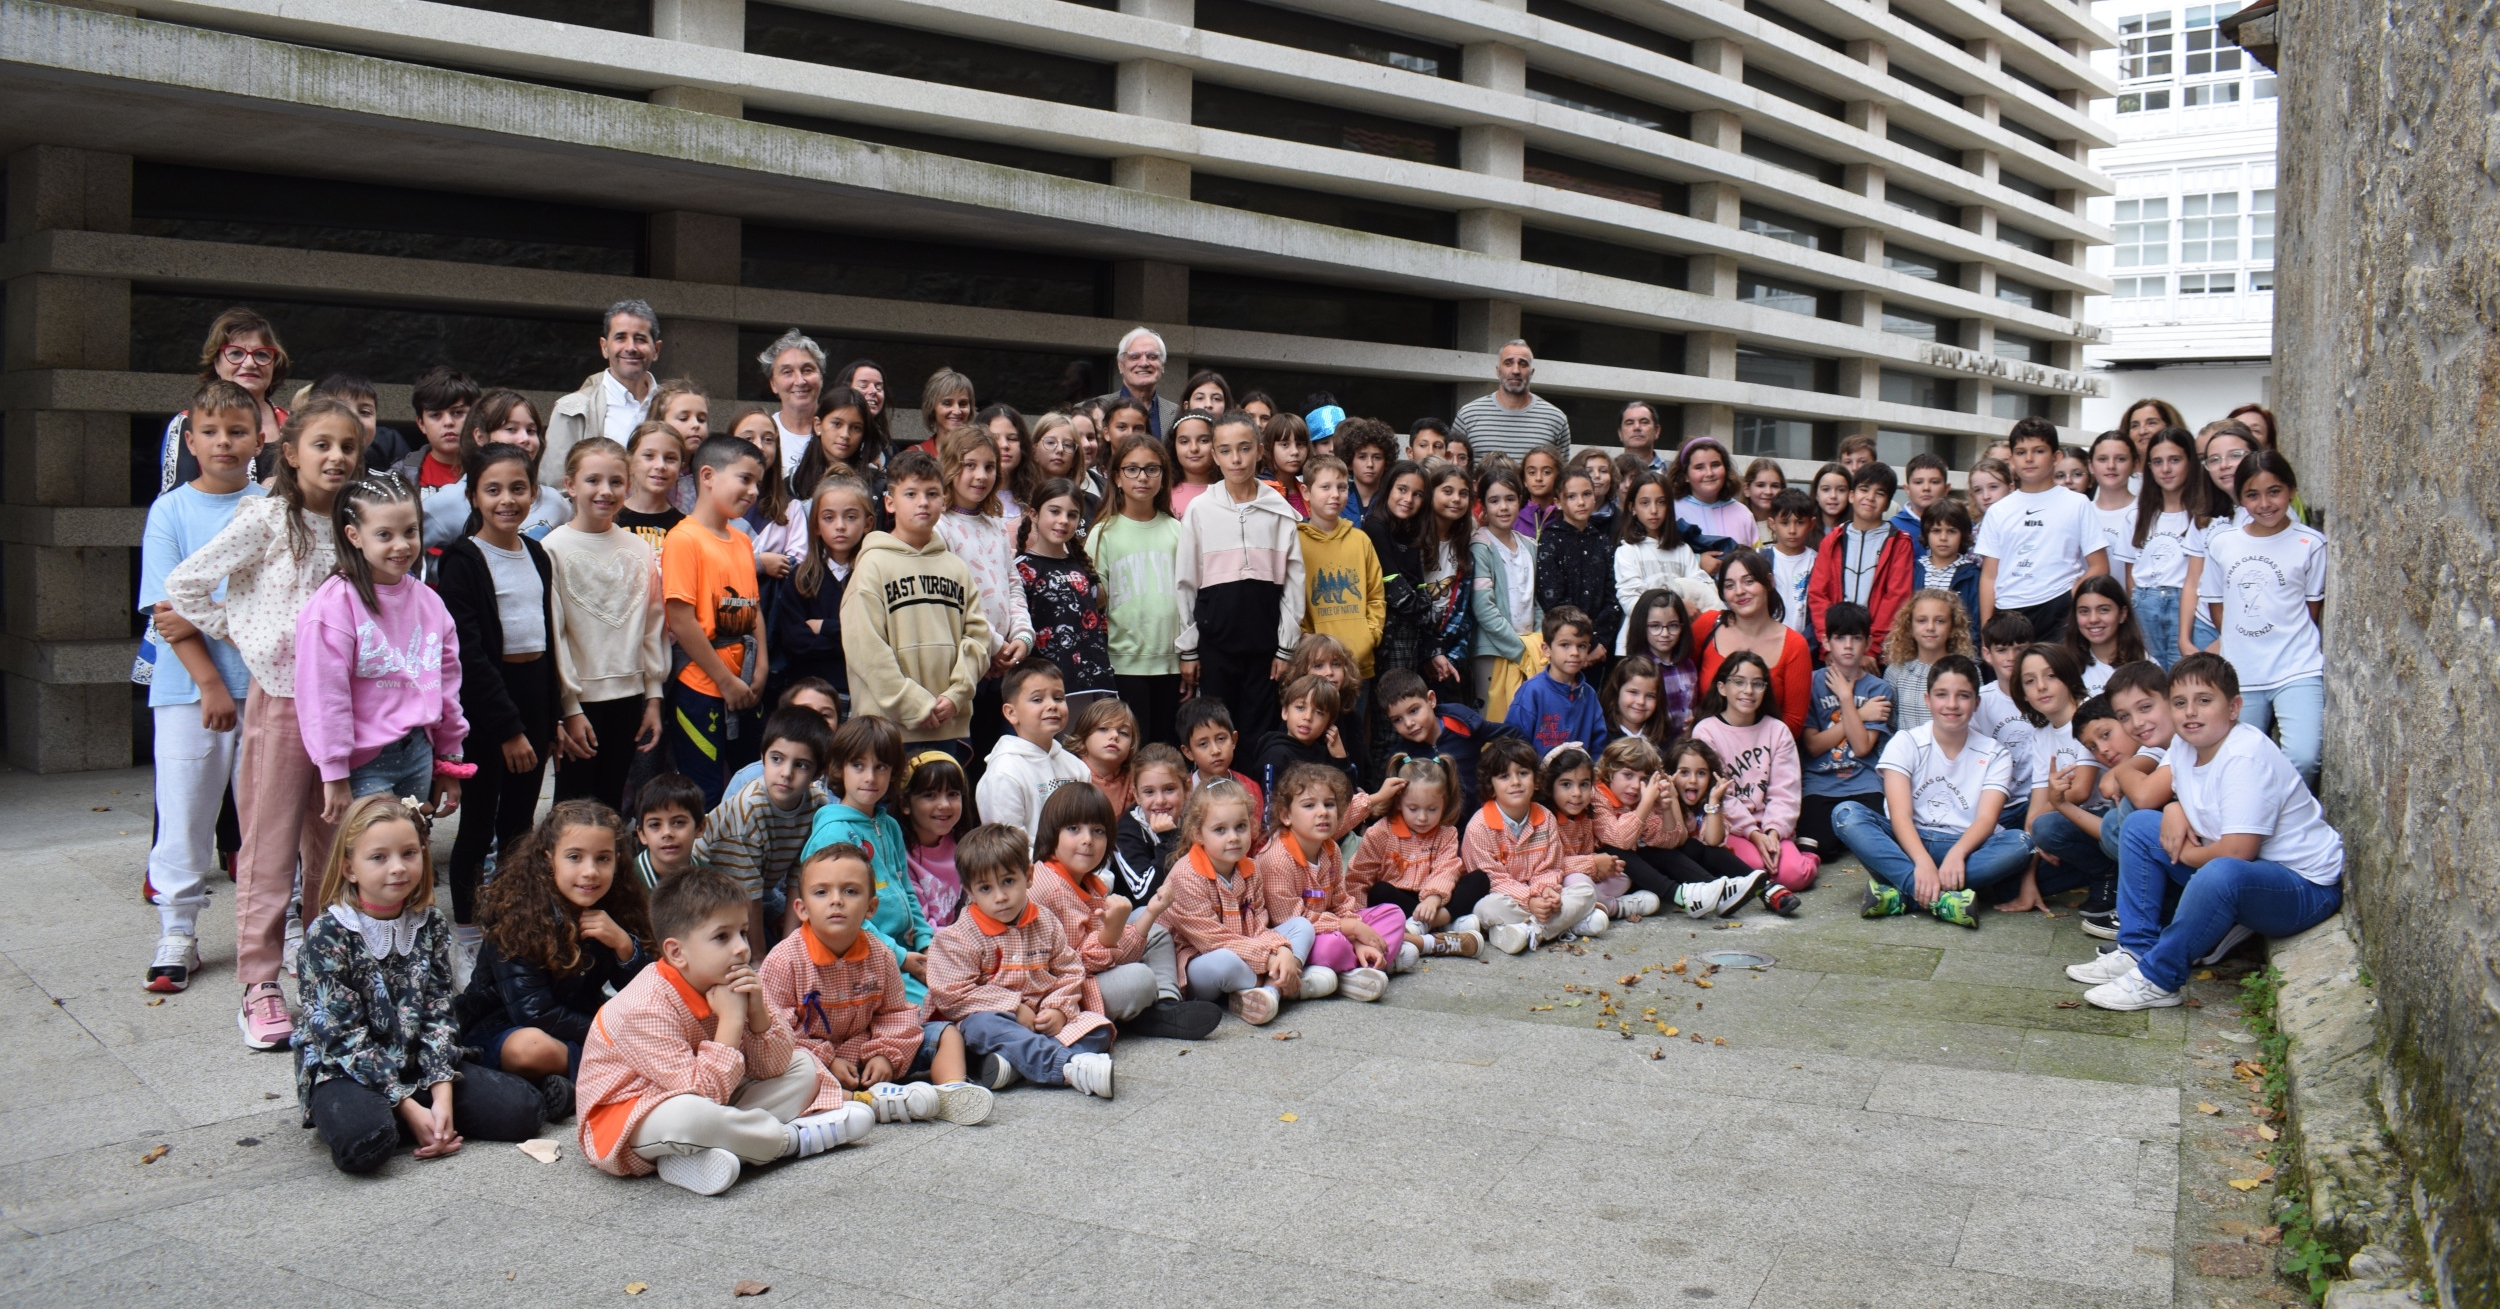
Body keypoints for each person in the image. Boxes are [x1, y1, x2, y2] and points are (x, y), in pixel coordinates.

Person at [166, 398, 365, 1049]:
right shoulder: (265, 516)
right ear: (291, 451)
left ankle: (322, 964)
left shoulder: (357, 524)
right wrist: (245, 632)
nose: (336, 456)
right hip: (279, 700)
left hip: (343, 709)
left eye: (349, 446)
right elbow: (188, 583)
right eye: (323, 444)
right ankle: (258, 980)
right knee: (269, 843)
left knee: (332, 844)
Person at [2071, 654, 2344, 1011]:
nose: (2190, 712)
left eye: (2204, 701)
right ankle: (2136, 951)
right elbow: (2195, 796)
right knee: (2138, 827)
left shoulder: (2245, 756)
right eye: (2181, 703)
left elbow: (2237, 851)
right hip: (2250, 872)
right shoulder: (2186, 745)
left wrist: (2185, 854)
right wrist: (2174, 807)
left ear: (2233, 708)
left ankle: (2159, 979)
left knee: (2220, 870)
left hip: (2303, 887)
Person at [575, 867, 871, 1194]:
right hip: (631, 1119)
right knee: (689, 1116)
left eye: (743, 932)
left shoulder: (727, 979)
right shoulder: (643, 1006)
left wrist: (758, 1015)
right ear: (676, 952)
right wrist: (731, 1022)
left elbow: (772, 1068)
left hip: (710, 1098)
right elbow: (700, 1096)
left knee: (802, 1067)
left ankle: (702, 1156)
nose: (742, 948)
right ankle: (791, 1140)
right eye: (722, 937)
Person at [296, 796, 545, 1173]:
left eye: (409, 853)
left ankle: (426, 1117)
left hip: (419, 1063)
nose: (398, 868)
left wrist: (442, 1096)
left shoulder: (428, 923)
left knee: (523, 1112)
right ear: (349, 868)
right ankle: (392, 1116)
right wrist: (409, 1107)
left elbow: (440, 1015)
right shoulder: (328, 934)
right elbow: (342, 1038)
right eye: (378, 857)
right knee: (364, 1145)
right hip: (349, 1070)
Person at [137, 380, 265, 992]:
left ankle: (279, 927)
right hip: (188, 690)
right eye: (210, 432)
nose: (224, 442)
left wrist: (207, 609)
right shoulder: (171, 511)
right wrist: (210, 682)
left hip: (266, 686)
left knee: (265, 814)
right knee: (186, 810)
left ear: (260, 440)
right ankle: (178, 930)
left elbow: (276, 611)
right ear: (190, 441)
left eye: (237, 431)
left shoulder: (269, 508)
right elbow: (167, 614)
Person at [758, 841, 991, 1125]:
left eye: (850, 891)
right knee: (792, 1072)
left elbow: (895, 1013)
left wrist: (884, 1056)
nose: (836, 900)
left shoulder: (880, 954)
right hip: (815, 1061)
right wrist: (827, 1060)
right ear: (802, 909)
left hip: (868, 1051)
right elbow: (776, 1032)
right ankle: (868, 1102)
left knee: (945, 1034)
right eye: (821, 892)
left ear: (870, 908)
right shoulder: (785, 960)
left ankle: (950, 1093)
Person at [457, 800, 651, 1121]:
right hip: (504, 1026)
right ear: (549, 860)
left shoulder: (615, 905)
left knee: (655, 1021)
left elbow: (645, 991)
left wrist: (624, 946)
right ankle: (617, 1072)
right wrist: (610, 1036)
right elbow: (532, 1012)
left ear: (617, 861)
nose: (590, 871)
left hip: (577, 1022)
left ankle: (570, 1082)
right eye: (574, 857)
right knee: (531, 1049)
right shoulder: (515, 913)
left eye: (603, 859)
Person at [295, 470, 467, 825]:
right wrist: (334, 773)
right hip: (362, 761)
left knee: (410, 849)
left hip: (418, 750)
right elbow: (324, 695)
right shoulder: (334, 604)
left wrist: (450, 759)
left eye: (410, 531)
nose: (402, 545)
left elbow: (447, 684)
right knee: (371, 858)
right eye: (384, 535)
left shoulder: (430, 603)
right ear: (354, 536)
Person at [1832, 655, 2036, 928]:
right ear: (1928, 700)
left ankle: (1905, 893)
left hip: (1963, 847)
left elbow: (1987, 820)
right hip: (1906, 843)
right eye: (1942, 695)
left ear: (1976, 703)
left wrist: (1958, 853)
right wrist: (1921, 861)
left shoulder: (1995, 753)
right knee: (1846, 814)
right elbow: (1900, 814)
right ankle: (1939, 896)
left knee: (2021, 842)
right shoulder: (1905, 742)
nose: (1951, 704)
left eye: (1963, 696)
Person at [922, 824, 1118, 1095]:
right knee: (983, 1027)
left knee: (1099, 1030)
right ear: (969, 891)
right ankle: (1067, 1066)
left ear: (1028, 876)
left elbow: (1070, 971)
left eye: (1008, 881)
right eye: (986, 888)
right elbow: (951, 995)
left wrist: (1058, 1009)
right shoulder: (958, 937)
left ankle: (1013, 1066)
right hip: (992, 1023)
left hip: (1041, 1020)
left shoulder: (1046, 922)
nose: (1000, 897)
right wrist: (1013, 1008)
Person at [1026, 784, 1219, 1039]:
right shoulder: (1054, 890)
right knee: (1140, 979)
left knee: (1155, 928)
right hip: (1057, 994)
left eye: (1098, 831)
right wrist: (1112, 930)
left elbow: (1109, 951)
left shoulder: (1081, 879)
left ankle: (1166, 1006)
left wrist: (1151, 912)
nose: (1087, 840)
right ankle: (1146, 1014)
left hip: (1087, 969)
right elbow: (1080, 967)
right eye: (1074, 829)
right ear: (1052, 833)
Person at [536, 439, 668, 812]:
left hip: (629, 697)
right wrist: (569, 707)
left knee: (610, 800)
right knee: (572, 805)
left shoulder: (638, 547)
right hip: (581, 703)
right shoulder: (552, 548)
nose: (605, 491)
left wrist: (653, 697)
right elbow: (556, 634)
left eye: (616, 481)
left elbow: (651, 625)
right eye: (593, 480)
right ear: (571, 484)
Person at [844, 448, 991, 755]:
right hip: (887, 730)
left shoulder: (956, 568)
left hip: (948, 725)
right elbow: (866, 648)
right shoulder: (872, 565)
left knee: (943, 804)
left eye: (932, 493)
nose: (923, 502)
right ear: (890, 502)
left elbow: (978, 638)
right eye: (910, 493)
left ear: (944, 501)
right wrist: (913, 704)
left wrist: (956, 696)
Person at [2203, 451, 2328, 788]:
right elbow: (2218, 606)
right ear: (2239, 498)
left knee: (2304, 756)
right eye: (2252, 494)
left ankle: (2292, 825)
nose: (2264, 503)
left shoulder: (2311, 544)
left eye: (2274, 491)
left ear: (2292, 490)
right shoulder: (2221, 543)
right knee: (2239, 763)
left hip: (2296, 668)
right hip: (2243, 673)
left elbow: (2310, 610)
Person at [1176, 411, 1306, 737]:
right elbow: (1186, 583)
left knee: (1260, 732)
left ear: (1260, 450)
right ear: (1215, 455)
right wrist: (1189, 649)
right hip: (1215, 648)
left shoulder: (1280, 512)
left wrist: (1285, 647)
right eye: (1225, 450)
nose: (1236, 459)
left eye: (1245, 448)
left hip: (1266, 649)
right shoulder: (1200, 510)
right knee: (1218, 731)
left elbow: (1294, 583)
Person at [1164, 779, 1322, 1024]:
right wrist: (1271, 958)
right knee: (1225, 963)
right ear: (1198, 834)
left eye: (1240, 826)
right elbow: (1213, 941)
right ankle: (1285, 982)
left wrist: (1281, 949)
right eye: (1220, 830)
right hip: (1199, 963)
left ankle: (1268, 992)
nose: (1233, 838)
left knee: (1302, 926)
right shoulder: (1186, 875)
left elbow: (1259, 926)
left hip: (1248, 949)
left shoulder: (1251, 868)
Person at [1257, 764, 1405, 1000]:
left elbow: (1341, 902)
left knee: (1393, 914)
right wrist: (1352, 930)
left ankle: (1350, 970)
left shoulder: (1331, 849)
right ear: (1286, 816)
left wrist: (1357, 937)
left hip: (1334, 926)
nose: (1323, 812)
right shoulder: (1276, 859)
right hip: (1297, 938)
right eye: (1309, 805)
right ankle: (1365, 967)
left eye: (1329, 804)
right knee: (1333, 946)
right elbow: (1291, 921)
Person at [693, 706, 833, 945]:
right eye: (777, 759)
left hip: (753, 895)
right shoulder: (749, 809)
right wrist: (760, 958)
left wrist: (790, 947)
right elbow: (749, 895)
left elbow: (798, 877)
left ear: (818, 772)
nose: (786, 773)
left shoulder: (817, 804)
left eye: (801, 765)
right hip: (705, 896)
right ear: (763, 756)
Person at [1690, 651, 1814, 905]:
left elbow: (1785, 791)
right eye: (1739, 682)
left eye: (1757, 683)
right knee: (1753, 869)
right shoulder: (1706, 732)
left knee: (1794, 875)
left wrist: (1773, 832)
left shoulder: (1777, 731)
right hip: (1730, 827)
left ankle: (1810, 855)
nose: (1748, 690)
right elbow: (1720, 795)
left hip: (1770, 826)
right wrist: (1753, 834)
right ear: (1722, 688)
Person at [1087, 430, 1184, 745]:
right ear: (1116, 477)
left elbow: (1190, 598)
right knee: (1131, 749)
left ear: (1163, 476)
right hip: (1123, 662)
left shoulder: (1178, 531)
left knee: (1165, 748)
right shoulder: (1103, 533)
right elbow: (1094, 602)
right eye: (1132, 469)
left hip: (1172, 661)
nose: (1142, 477)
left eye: (1152, 469)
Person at [1600, 736, 1768, 918]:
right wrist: (1647, 803)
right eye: (1628, 775)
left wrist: (1667, 807)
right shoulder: (1599, 796)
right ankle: (1687, 895)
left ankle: (1761, 889)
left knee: (1690, 847)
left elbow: (1670, 843)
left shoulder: (1642, 799)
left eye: (1643, 779)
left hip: (1639, 875)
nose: (1635, 786)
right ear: (1610, 773)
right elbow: (1620, 841)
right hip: (1610, 876)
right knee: (1617, 850)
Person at [1461, 736, 1597, 953]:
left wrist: (1547, 893)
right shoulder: (1479, 826)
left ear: (1535, 781)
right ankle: (1561, 925)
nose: (1515, 782)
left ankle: (1529, 932)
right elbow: (1493, 879)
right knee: (1486, 908)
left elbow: (1550, 867)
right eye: (1505, 776)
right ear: (1491, 786)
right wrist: (1530, 900)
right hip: (1504, 898)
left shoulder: (1546, 818)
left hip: (1538, 897)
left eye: (1523, 773)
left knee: (1586, 891)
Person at [1978, 417, 2110, 638]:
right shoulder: (1998, 511)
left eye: (2039, 451)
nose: (2029, 459)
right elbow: (1989, 576)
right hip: (2009, 610)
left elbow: (2099, 566)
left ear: (2056, 457)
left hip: (2059, 610)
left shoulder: (2077, 503)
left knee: (2055, 672)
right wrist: (1986, 628)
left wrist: (2072, 595)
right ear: (2011, 460)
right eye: (2021, 452)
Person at [1345, 756, 1482, 954]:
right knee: (1379, 892)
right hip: (1402, 902)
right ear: (1399, 802)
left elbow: (1447, 869)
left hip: (1436, 898)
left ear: (1444, 803)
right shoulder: (1380, 832)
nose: (1423, 817)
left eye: (1432, 809)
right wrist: (1361, 917)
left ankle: (1433, 922)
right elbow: (1359, 877)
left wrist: (1433, 898)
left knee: (1479, 880)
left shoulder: (1446, 832)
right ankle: (1445, 924)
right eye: (1413, 808)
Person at [156, 306, 290, 495]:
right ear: (216, 362)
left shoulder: (297, 424)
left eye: (261, 354)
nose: (250, 363)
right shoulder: (188, 422)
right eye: (236, 353)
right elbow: (179, 499)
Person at [1798, 601, 1893, 859]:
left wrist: (1846, 698)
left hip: (1864, 783)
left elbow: (1862, 748)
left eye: (1856, 638)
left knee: (1877, 845)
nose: (1848, 645)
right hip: (1820, 784)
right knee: (1817, 849)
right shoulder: (1812, 682)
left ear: (1868, 641)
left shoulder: (1878, 689)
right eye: (1840, 637)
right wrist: (1860, 713)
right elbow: (1813, 746)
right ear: (1826, 641)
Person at [771, 470, 872, 709]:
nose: (840, 526)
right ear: (815, 525)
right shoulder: (801, 577)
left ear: (868, 523)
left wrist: (824, 627)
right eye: (828, 518)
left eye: (850, 517)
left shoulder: (873, 576)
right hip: (810, 697)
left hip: (863, 696)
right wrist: (853, 639)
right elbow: (796, 641)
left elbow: (879, 637)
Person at [1015, 478, 1114, 713]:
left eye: (1072, 515)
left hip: (1093, 683)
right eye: (1055, 511)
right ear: (1034, 514)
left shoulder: (1083, 568)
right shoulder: (1021, 569)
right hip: (1047, 690)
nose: (1063, 521)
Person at [1693, 550, 1813, 735]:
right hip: (1705, 748)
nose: (1740, 591)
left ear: (1770, 582)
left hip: (1764, 755)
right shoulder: (1707, 625)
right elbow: (1683, 678)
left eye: (1749, 581)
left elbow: (1793, 723)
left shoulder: (1794, 645)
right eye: (1729, 585)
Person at [2127, 427, 2218, 668]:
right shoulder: (2136, 515)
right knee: (2150, 677)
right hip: (2144, 603)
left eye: (2174, 460)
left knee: (2184, 675)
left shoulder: (2204, 516)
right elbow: (2130, 574)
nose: (2165, 469)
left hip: (2186, 604)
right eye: (2157, 462)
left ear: (2191, 462)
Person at [1299, 454, 1387, 696]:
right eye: (1325, 487)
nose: (1335, 494)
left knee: (1356, 731)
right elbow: (1292, 604)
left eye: (1341, 487)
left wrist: (1369, 636)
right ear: (1306, 492)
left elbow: (1376, 595)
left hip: (1357, 663)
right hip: (1314, 667)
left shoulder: (1360, 539)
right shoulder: (1295, 541)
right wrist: (1307, 644)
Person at [544, 299, 663, 475]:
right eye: (620, 338)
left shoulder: (675, 406)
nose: (630, 348)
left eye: (640, 339)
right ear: (604, 347)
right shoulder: (570, 410)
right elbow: (555, 487)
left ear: (656, 350)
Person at [975, 658, 1092, 836]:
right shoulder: (1004, 774)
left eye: (1058, 698)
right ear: (1011, 713)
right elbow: (1008, 848)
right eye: (1037, 699)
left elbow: (1090, 825)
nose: (1052, 705)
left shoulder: (1076, 767)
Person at [1808, 461, 1915, 649]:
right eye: (1864, 489)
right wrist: (1831, 645)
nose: (1870, 497)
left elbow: (1897, 599)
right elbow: (1818, 594)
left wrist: (1870, 649)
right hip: (1834, 648)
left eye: (1880, 493)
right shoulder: (1832, 541)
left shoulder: (1899, 543)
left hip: (1876, 651)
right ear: (1851, 495)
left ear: (1887, 504)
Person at [1540, 743, 1650, 924]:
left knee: (1622, 877)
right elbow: (1547, 866)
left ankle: (1587, 909)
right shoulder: (1544, 818)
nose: (1576, 793)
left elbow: (1587, 854)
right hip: (1551, 885)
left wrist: (1604, 868)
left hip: (1581, 877)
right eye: (1566, 784)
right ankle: (1615, 907)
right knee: (1579, 882)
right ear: (1549, 787)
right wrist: (1593, 863)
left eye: (1584, 784)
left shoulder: (1585, 817)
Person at [1615, 469, 1716, 652]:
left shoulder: (1683, 550)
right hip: (1638, 646)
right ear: (1633, 508)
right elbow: (1630, 601)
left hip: (1679, 646)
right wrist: (1677, 605)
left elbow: (1703, 589)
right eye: (1645, 503)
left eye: (1661, 502)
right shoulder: (1627, 551)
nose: (1654, 510)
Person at [1470, 465, 1542, 720]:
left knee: (1525, 718)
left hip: (1529, 647)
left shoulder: (1529, 545)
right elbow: (1483, 608)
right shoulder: (1481, 546)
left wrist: (1540, 640)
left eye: (1510, 499)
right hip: (1494, 651)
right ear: (1483, 506)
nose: (1503, 507)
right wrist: (1519, 649)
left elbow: (1536, 601)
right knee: (1494, 719)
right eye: (1494, 500)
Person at [1534, 466, 1623, 664]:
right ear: (1558, 502)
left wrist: (1599, 642)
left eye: (1586, 494)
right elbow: (1551, 597)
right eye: (1572, 496)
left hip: (1599, 648)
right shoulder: (1551, 540)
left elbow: (1613, 597)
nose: (1581, 502)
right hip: (1564, 645)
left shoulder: (1602, 542)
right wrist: (1578, 642)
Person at [1504, 607, 1607, 753]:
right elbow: (1512, 745)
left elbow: (1598, 746)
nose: (1575, 653)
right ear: (1547, 649)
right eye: (1565, 645)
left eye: (1581, 646)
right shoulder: (1532, 692)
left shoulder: (1588, 695)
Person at [1452, 341, 1570, 462]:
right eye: (1508, 363)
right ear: (1498, 371)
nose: (1516, 370)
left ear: (1532, 372)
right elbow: (1453, 470)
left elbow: (1562, 477)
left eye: (1523, 364)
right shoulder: (1468, 416)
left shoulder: (1556, 419)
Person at [899, 749, 972, 928]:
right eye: (930, 795)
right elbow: (918, 925)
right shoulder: (900, 856)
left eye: (953, 794)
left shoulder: (964, 845)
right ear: (906, 804)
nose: (944, 805)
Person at [1883, 589, 1974, 732]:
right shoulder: (1896, 671)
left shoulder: (1967, 670)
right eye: (1922, 620)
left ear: (1952, 628)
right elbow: (1890, 727)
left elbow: (1974, 722)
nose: (1930, 627)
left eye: (1940, 621)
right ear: (1910, 627)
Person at [1625, 589, 1701, 740]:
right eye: (1655, 626)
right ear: (1642, 626)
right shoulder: (1634, 670)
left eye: (1673, 625)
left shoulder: (1688, 666)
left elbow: (1694, 705)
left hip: (1684, 746)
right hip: (1650, 748)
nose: (1665, 634)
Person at [753, 330, 825, 477]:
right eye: (787, 372)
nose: (799, 381)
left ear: (821, 377)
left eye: (807, 370)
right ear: (773, 384)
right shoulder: (763, 433)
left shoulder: (839, 429)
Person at [2064, 576, 2147, 695]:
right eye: (2084, 611)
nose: (2093, 619)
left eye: (2103, 610)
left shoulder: (2145, 664)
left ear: (2122, 614)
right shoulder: (2064, 667)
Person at [1671, 437, 1753, 552]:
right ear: (1685, 475)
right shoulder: (1672, 511)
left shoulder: (1743, 513)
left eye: (1715, 465)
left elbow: (1756, 560)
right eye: (1699, 467)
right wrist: (1698, 560)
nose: (1709, 473)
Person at [1100, 326, 1181, 439]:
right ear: (1120, 365)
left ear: (1162, 365)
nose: (1144, 363)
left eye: (1152, 357)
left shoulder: (1179, 414)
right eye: (1134, 357)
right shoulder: (1094, 410)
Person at [1917, 498, 1983, 637]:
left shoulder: (1972, 576)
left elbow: (1976, 623)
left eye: (1952, 531)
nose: (1943, 537)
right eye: (1936, 531)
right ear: (1926, 533)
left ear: (1963, 534)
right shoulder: (1914, 570)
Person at [632, 772, 706, 891]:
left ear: (700, 828)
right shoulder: (623, 884)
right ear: (642, 834)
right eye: (655, 825)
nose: (667, 833)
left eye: (678, 822)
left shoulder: (713, 881)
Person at [2086, 431, 2141, 589]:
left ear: (2135, 464)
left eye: (2121, 459)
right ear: (2091, 465)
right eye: (2102, 459)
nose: (2111, 466)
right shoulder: (2081, 512)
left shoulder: (2145, 513)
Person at [1763, 489, 1820, 641]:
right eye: (1785, 523)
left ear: (1811, 524)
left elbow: (1818, 611)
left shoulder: (1818, 562)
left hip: (1806, 645)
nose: (1792, 530)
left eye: (1800, 522)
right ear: (1772, 524)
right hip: (1767, 643)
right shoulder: (1762, 560)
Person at [1335, 416, 1400, 528]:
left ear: (1387, 462)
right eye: (1362, 457)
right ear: (1350, 462)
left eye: (1377, 457)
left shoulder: (1393, 499)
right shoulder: (1336, 498)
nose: (1370, 464)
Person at [1167, 410, 1219, 520]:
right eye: (1184, 442)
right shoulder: (1162, 491)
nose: (1194, 448)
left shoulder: (1230, 489)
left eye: (1204, 440)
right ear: (1173, 446)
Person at [1889, 453, 1951, 539]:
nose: (1926, 488)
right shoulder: (1892, 528)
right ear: (1907, 489)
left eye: (1934, 482)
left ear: (1946, 489)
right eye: (1918, 482)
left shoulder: (1961, 526)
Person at [1516, 447, 1564, 538]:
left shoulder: (1566, 517)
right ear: (1524, 480)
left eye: (1546, 472)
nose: (1538, 478)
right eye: (1532, 472)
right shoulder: (1515, 517)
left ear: (1558, 477)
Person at [1616, 399, 1670, 474]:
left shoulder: (1672, 472)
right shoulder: (1609, 472)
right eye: (1629, 423)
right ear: (1620, 433)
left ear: (1657, 431)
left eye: (1644, 422)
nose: (1637, 427)